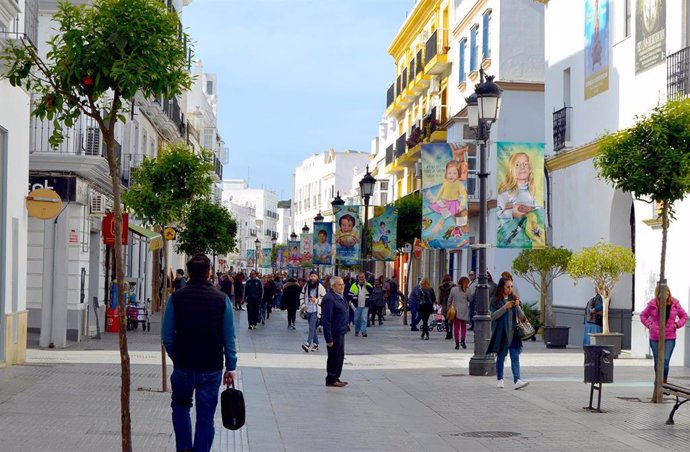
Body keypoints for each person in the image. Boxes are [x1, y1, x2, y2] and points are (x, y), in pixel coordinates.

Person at [162, 254, 237, 452]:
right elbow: (230, 337)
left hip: (184, 365)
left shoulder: (176, 298)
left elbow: (167, 336)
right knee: (206, 417)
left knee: (180, 406)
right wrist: (231, 367)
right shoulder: (222, 300)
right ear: (209, 273)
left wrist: (175, 356)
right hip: (211, 367)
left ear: (188, 273)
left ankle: (185, 448)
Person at [640, 286, 688, 383]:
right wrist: (649, 325)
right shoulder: (653, 304)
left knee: (665, 360)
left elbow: (684, 316)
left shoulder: (675, 303)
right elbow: (643, 315)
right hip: (655, 336)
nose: (664, 295)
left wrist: (677, 324)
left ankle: (663, 381)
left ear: (669, 292)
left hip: (670, 336)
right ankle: (658, 382)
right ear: (657, 294)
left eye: (666, 292)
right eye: (661, 293)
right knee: (658, 362)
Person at [487, 277, 529, 390]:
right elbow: (492, 316)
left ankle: (517, 380)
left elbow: (521, 317)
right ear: (502, 287)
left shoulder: (514, 298)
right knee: (501, 357)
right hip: (501, 333)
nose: (510, 289)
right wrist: (504, 307)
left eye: (511, 287)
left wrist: (518, 306)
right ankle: (500, 379)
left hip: (514, 333)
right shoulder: (495, 300)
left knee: (515, 356)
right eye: (508, 287)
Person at [425, 160, 469, 235]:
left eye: (454, 173)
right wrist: (435, 200)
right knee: (442, 217)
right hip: (444, 202)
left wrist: (461, 205)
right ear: (446, 174)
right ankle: (432, 233)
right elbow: (440, 192)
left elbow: (464, 195)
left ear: (458, 174)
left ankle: (463, 229)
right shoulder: (445, 183)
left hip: (454, 204)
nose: (451, 175)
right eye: (449, 173)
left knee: (455, 217)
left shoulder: (459, 184)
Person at [321, 276, 349, 387]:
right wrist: (328, 338)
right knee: (334, 356)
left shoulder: (340, 297)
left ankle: (336, 377)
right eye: (339, 284)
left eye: (343, 284)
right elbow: (326, 320)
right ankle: (331, 379)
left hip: (341, 331)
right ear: (332, 286)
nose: (342, 286)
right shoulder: (329, 299)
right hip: (334, 332)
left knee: (339, 356)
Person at [301, 271, 326, 352]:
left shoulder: (320, 287)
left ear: (317, 277)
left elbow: (325, 300)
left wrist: (316, 300)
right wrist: (303, 306)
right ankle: (316, 344)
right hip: (307, 309)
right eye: (311, 276)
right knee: (313, 328)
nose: (313, 278)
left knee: (312, 327)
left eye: (314, 276)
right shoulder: (306, 285)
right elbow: (301, 295)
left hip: (316, 310)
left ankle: (307, 344)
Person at [448, 276, 471, 349]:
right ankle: (463, 341)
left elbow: (449, 299)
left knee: (456, 327)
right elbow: (470, 299)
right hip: (464, 309)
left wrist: (449, 307)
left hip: (455, 310)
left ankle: (457, 343)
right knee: (463, 326)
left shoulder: (453, 289)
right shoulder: (467, 290)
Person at [347, 272, 372, 338]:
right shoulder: (354, 285)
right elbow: (350, 294)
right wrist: (349, 301)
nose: (361, 279)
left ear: (364, 278)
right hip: (356, 305)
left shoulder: (368, 284)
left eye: (363, 277)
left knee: (364, 319)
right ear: (358, 278)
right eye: (360, 277)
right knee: (356, 319)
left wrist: (365, 285)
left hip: (365, 305)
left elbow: (371, 291)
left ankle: (364, 331)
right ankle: (357, 330)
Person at [438, 274, 454, 340]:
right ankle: (451, 333)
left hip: (444, 304)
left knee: (446, 320)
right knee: (451, 319)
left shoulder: (442, 287)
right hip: (451, 304)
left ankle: (447, 333)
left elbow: (440, 296)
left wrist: (439, 303)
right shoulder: (453, 286)